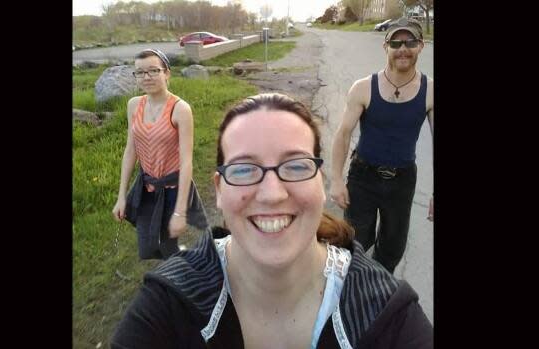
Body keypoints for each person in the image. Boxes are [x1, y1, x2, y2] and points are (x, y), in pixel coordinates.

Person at [111, 93, 433, 348]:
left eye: (295, 166)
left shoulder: (387, 314)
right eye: (243, 169)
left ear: (319, 182)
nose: (271, 194)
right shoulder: (168, 305)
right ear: (219, 190)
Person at [330, 17, 434, 274]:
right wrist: (336, 179)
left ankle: (375, 289)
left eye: (410, 41)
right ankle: (347, 290)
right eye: (396, 42)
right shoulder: (364, 88)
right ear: (385, 47)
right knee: (355, 243)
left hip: (402, 180)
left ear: (421, 46)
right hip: (363, 177)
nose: (403, 48)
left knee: (392, 248)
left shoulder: (430, 91)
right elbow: (343, 134)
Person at [112, 48, 207, 260]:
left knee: (166, 241)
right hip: (146, 186)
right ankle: (174, 263)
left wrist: (180, 212)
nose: (147, 77)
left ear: (167, 73)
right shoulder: (134, 105)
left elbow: (186, 161)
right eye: (140, 72)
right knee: (149, 239)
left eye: (153, 70)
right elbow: (131, 150)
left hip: (172, 189)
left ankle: (178, 273)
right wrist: (121, 197)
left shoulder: (180, 109)